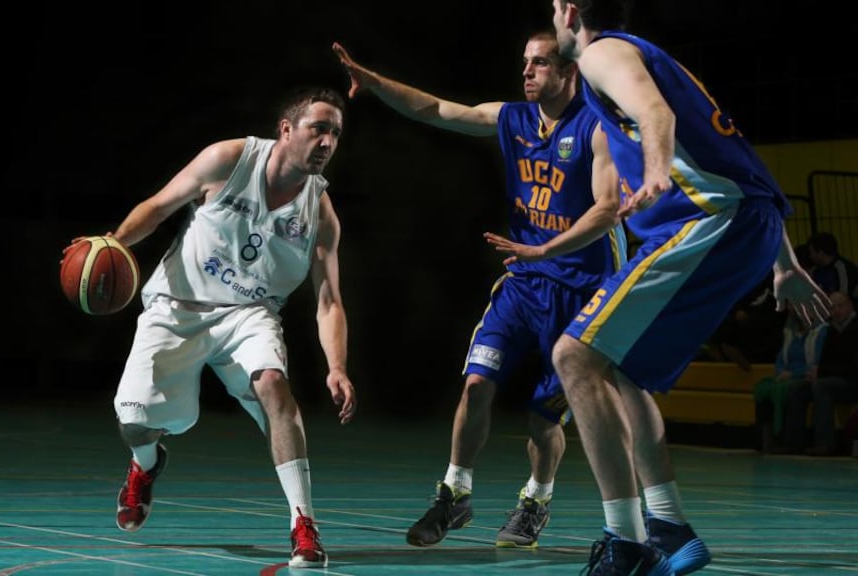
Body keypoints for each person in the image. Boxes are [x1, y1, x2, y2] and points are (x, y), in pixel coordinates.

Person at [546, 1, 833, 574]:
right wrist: (784, 262)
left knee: (573, 356)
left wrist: (655, 169)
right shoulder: (658, 60)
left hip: (705, 219)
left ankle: (624, 544)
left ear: (571, 10)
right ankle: (670, 528)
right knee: (624, 373)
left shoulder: (604, 52)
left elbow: (655, 116)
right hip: (746, 220)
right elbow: (739, 160)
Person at [332, 33, 627, 549]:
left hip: (583, 292)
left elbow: (607, 209)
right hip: (524, 282)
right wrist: (374, 83)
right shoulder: (514, 118)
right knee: (476, 382)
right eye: (525, 63)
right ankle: (455, 493)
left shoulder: (596, 127)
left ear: (569, 72)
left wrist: (544, 249)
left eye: (540, 63)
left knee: (542, 420)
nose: (528, 72)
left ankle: (535, 500)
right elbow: (438, 109)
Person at [64, 86, 357, 569]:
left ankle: (304, 524)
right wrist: (110, 244)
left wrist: (337, 365)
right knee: (133, 419)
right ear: (286, 130)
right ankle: (146, 463)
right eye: (318, 129)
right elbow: (158, 207)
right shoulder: (228, 160)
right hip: (178, 306)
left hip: (250, 314)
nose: (327, 141)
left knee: (275, 389)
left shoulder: (320, 213)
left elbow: (329, 301)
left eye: (335, 134)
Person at [783, 291, 858, 455]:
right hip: (834, 380)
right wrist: (818, 372)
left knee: (821, 386)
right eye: (832, 307)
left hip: (853, 382)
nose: (836, 311)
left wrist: (822, 372)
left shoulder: (855, 329)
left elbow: (853, 367)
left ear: (851, 306)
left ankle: (825, 444)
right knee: (797, 389)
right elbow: (826, 362)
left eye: (840, 306)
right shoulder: (832, 329)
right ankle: (793, 443)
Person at [753, 307, 826, 452]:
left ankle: (791, 442)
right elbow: (780, 358)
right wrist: (781, 372)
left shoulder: (822, 331)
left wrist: (793, 375)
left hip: (807, 378)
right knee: (763, 390)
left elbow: (817, 364)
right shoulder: (790, 332)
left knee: (794, 390)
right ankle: (765, 441)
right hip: (786, 376)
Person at [807, 232, 858, 300]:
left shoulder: (842, 268)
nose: (811, 256)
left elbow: (844, 296)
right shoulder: (814, 270)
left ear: (821, 252)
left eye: (811, 252)